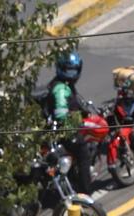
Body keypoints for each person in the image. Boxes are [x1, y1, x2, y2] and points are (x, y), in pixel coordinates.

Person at [44, 51, 96, 194]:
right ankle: (86, 193)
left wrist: (83, 111)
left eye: (73, 70)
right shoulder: (61, 88)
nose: (71, 73)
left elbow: (74, 104)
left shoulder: (65, 84)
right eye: (68, 70)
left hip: (61, 129)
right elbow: (61, 114)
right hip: (64, 131)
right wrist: (78, 121)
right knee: (84, 154)